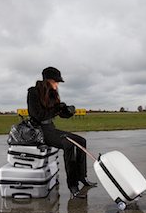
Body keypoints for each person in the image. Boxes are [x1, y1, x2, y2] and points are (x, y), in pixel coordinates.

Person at [27, 66, 97, 199]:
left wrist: (68, 111)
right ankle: (73, 185)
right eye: (56, 81)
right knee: (68, 144)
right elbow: (37, 115)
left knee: (81, 141)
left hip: (51, 129)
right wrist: (57, 109)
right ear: (48, 80)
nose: (57, 84)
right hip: (40, 131)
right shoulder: (33, 92)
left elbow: (60, 114)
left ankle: (82, 177)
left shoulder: (53, 93)